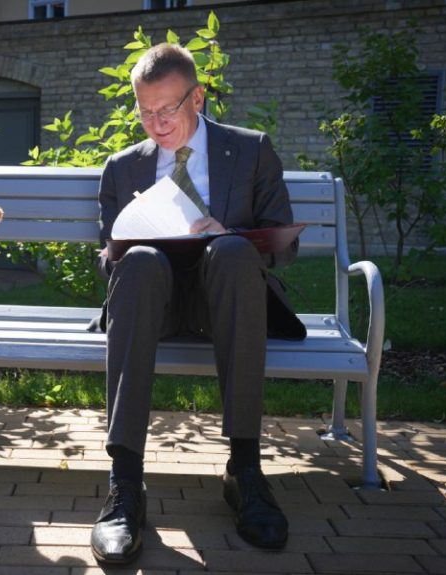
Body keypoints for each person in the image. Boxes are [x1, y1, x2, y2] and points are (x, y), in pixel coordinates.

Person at [89, 43, 307, 564]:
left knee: (231, 249)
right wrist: (126, 250)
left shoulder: (251, 149)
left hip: (228, 299)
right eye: (145, 112)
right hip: (152, 302)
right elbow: (107, 258)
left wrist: (227, 231)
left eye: (167, 110)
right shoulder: (122, 168)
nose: (157, 124)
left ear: (198, 98)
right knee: (138, 261)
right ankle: (125, 486)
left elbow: (285, 242)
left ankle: (246, 473)